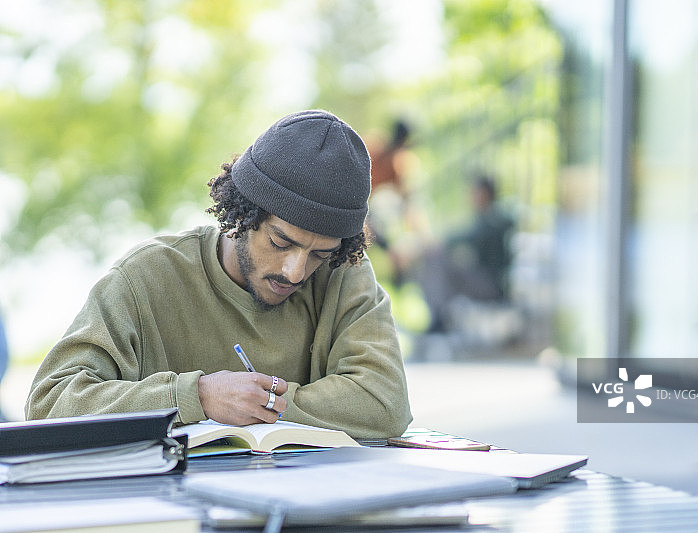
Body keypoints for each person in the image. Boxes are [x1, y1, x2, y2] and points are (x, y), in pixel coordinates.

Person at [25, 110, 413, 438]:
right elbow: (49, 403)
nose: (295, 271)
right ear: (241, 214)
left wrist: (256, 402)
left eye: (319, 254)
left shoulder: (342, 272)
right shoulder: (147, 276)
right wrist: (199, 397)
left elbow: (384, 401)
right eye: (281, 242)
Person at [419, 173, 515, 332]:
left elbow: (471, 235)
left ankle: (439, 318)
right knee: (438, 264)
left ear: (485, 193)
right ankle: (440, 315)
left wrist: (441, 242)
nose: (471, 197)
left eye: (475, 192)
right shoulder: (485, 218)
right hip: (482, 279)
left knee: (437, 261)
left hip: (491, 285)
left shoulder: (495, 218)